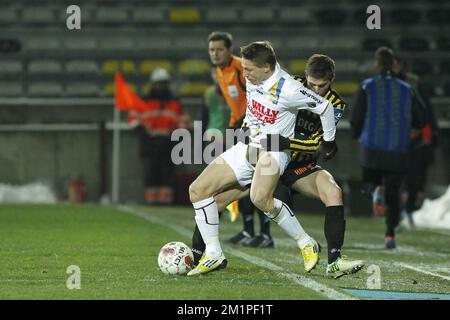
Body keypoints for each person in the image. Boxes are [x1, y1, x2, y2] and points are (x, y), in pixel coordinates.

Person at [198, 54, 365, 278]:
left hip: (298, 164)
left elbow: (315, 144)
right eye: (312, 84)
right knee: (216, 198)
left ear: (331, 80)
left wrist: (284, 142)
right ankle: (197, 252)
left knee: (333, 192)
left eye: (322, 86)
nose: (316, 90)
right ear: (305, 76)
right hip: (269, 156)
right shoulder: (290, 86)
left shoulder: (334, 105)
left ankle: (334, 261)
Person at [191, 32, 284, 267]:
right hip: (239, 127)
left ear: (229, 50)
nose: (215, 54)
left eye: (219, 50)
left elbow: (260, 93)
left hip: (255, 130)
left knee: (255, 181)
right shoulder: (219, 72)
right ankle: (248, 230)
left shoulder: (241, 69)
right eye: (211, 50)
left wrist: (250, 122)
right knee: (239, 183)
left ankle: (263, 233)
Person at [351, 47, 426, 249]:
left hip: (371, 149)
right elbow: (421, 118)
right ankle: (390, 235)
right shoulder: (407, 88)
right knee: (394, 194)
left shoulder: (367, 86)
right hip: (398, 149)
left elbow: (356, 116)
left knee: (368, 182)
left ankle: (375, 190)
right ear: (394, 64)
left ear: (376, 64)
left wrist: (358, 134)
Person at [129, 67, 189, 205]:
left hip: (169, 141)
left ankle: (165, 201)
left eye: (164, 83)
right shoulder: (143, 101)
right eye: (159, 83)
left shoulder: (175, 102)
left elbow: (184, 120)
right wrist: (138, 127)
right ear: (153, 84)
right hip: (149, 141)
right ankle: (152, 201)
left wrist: (178, 132)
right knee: (151, 171)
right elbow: (133, 117)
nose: (161, 86)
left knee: (167, 172)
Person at [392, 56, 439, 228]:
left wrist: (427, 131)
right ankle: (394, 213)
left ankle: (409, 210)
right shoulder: (383, 84)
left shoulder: (414, 83)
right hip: (392, 139)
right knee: (393, 178)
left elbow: (425, 109)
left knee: (413, 178)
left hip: (412, 137)